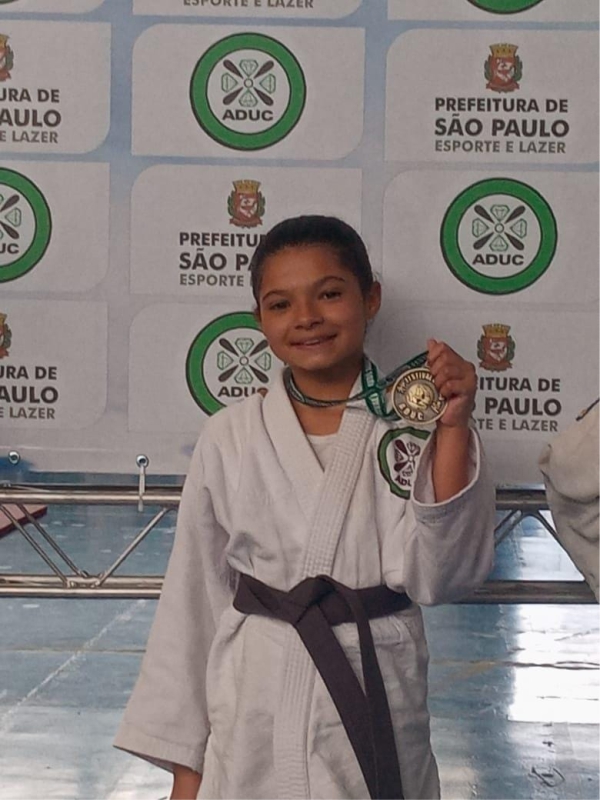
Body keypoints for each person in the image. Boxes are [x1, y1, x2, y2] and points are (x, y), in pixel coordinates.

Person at [114, 215, 495, 800]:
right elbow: (194, 599)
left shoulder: (411, 429)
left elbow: (443, 577)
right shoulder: (230, 434)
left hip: (375, 688)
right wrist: (187, 769)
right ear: (259, 320)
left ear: (371, 298)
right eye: (280, 304)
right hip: (255, 696)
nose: (307, 317)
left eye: (330, 294)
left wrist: (453, 427)